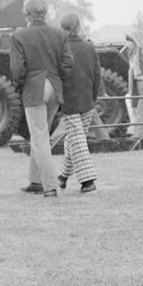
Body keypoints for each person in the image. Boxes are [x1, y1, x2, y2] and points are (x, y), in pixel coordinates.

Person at [10, 0, 74, 198]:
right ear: (44, 12)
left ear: (27, 13)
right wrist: (56, 78)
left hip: (34, 88)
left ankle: (49, 186)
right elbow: (68, 63)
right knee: (40, 135)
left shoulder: (19, 35)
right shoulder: (60, 34)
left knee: (38, 137)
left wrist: (21, 84)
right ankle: (36, 181)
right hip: (54, 87)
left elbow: (17, 69)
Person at [56, 13, 100, 194]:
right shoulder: (89, 47)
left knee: (77, 140)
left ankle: (88, 182)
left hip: (70, 101)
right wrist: (93, 97)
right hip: (87, 100)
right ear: (78, 27)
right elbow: (97, 75)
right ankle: (62, 177)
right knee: (75, 140)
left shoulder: (60, 50)